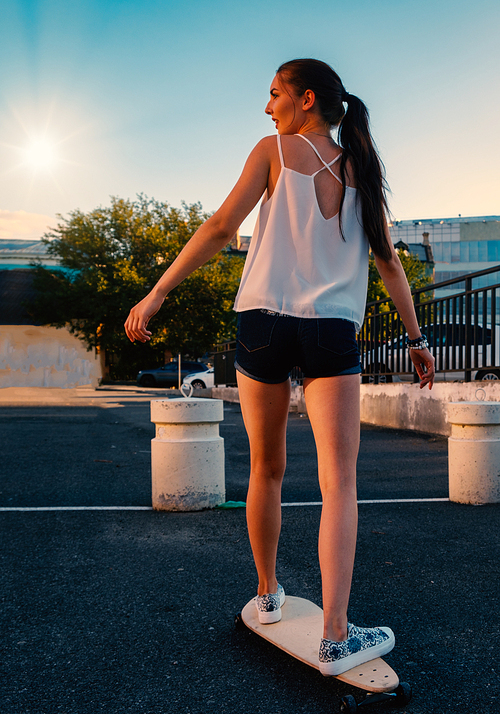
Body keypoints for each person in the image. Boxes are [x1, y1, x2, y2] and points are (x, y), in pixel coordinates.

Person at [124, 58, 435, 676]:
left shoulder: (272, 150)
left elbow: (219, 228)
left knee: (267, 468)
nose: (267, 107)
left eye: (274, 94)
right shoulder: (362, 173)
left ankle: (268, 597)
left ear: (306, 99)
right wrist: (417, 338)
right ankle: (335, 635)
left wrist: (158, 291)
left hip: (264, 322)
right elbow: (390, 266)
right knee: (338, 483)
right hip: (331, 333)